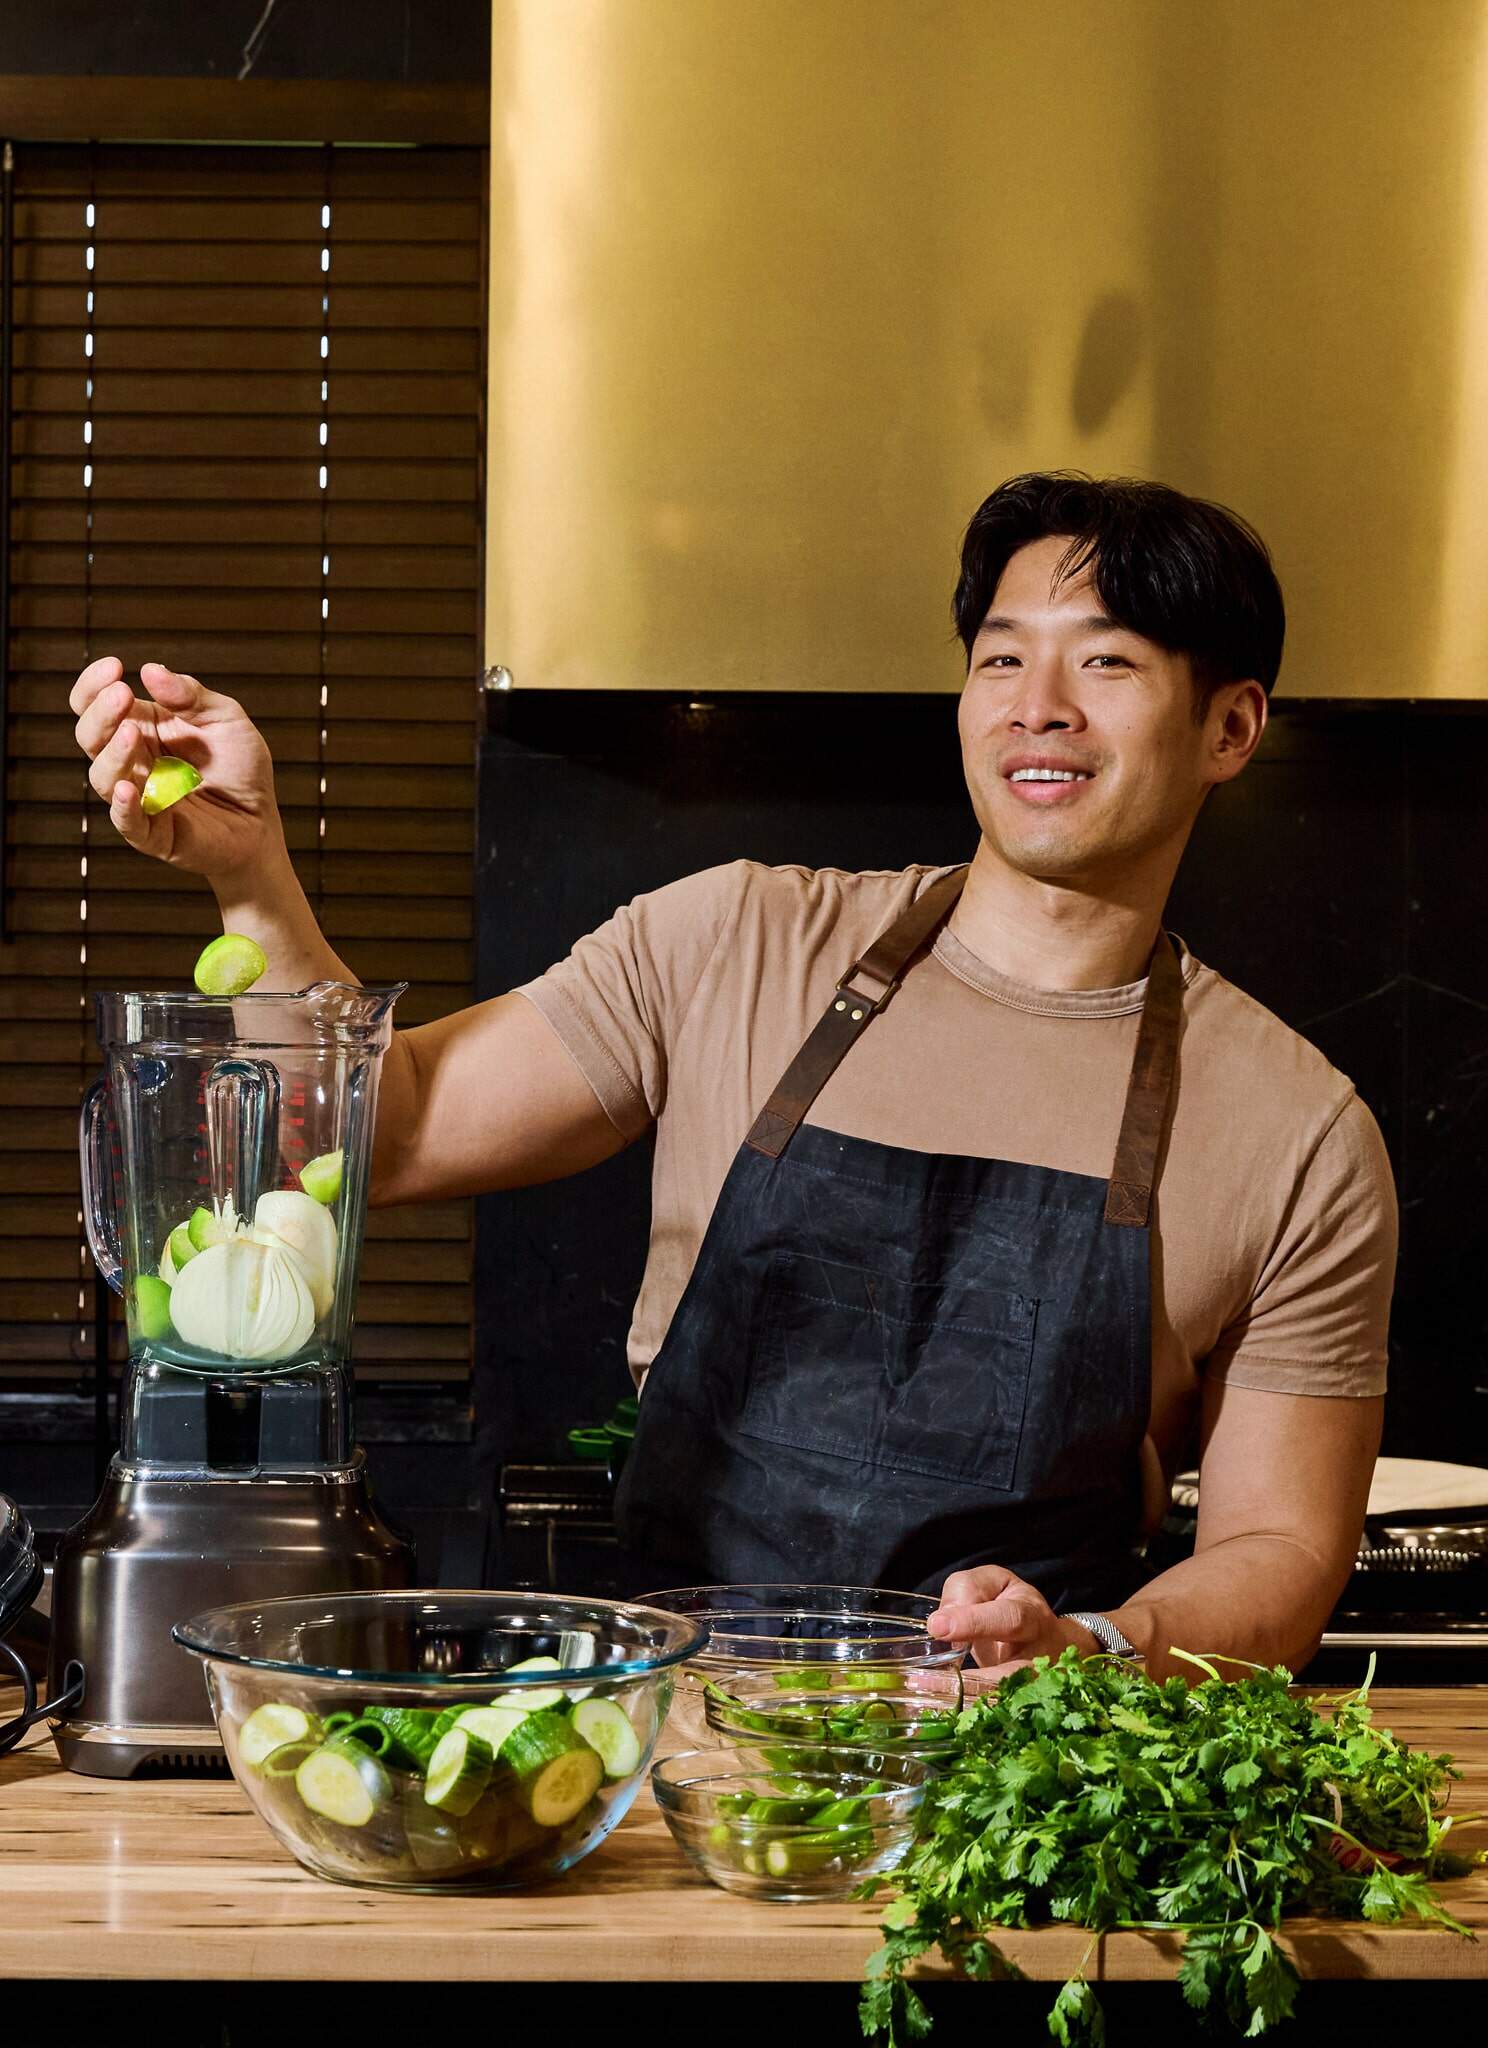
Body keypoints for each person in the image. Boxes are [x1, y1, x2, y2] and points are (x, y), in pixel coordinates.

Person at [70, 471, 1394, 1684]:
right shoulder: (738, 940)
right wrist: (246, 871)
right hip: (658, 1756)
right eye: (1002, 658)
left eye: (1104, 661)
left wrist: (1092, 1647)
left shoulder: (1294, 1129)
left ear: (1231, 727)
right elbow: (392, 1134)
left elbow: (1282, 1553)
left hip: (1011, 1789)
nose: (1036, 705)